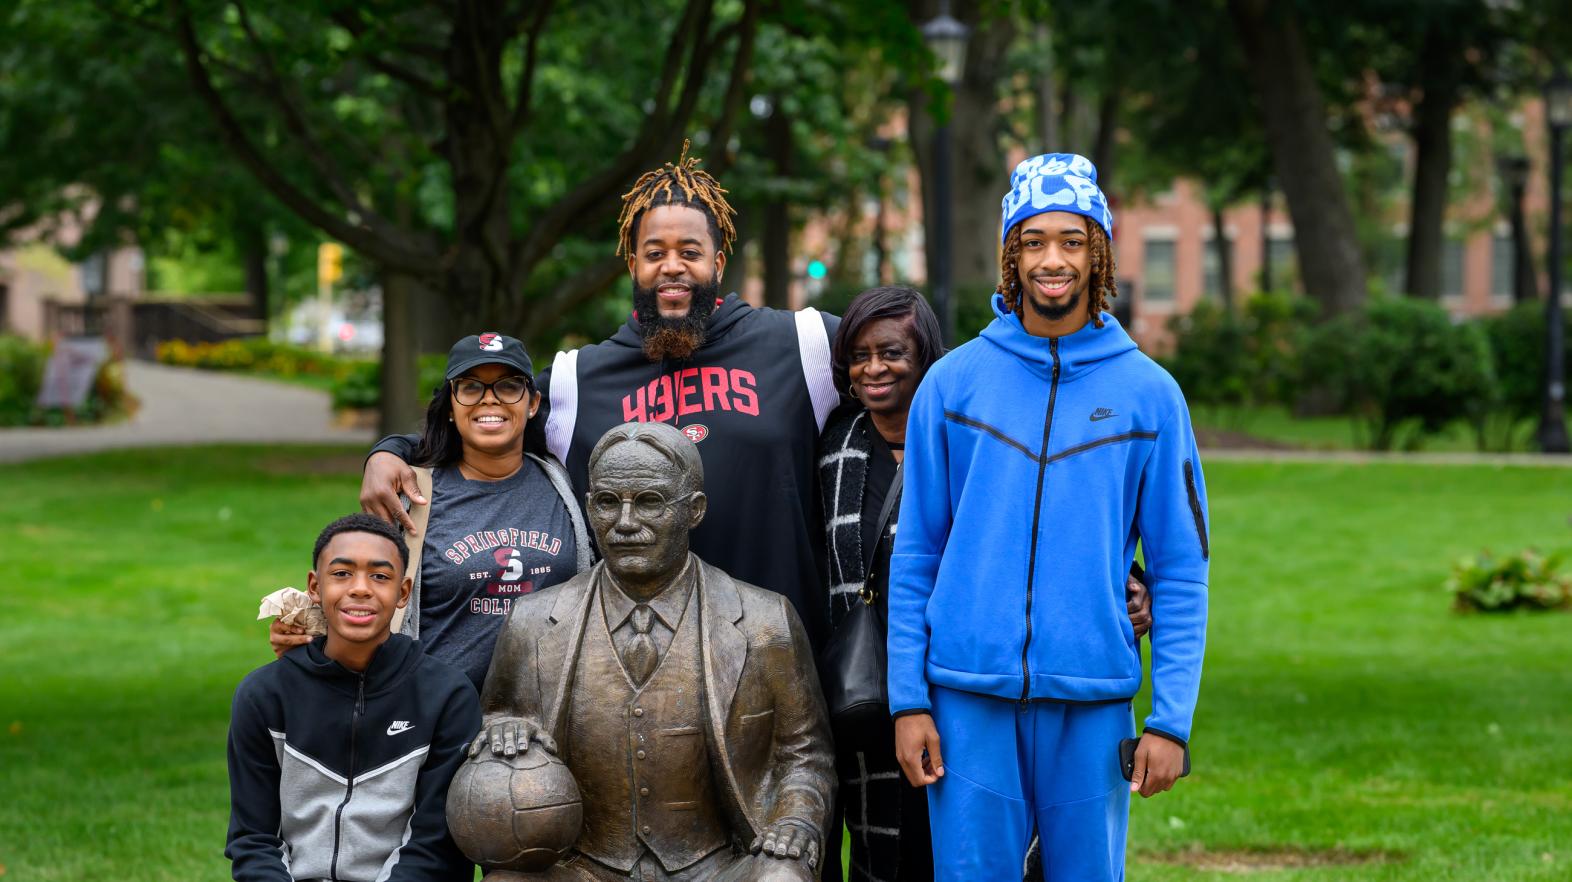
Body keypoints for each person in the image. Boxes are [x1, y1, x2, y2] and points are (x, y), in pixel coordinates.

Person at [361, 144, 840, 649]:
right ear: (633, 264)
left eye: (690, 253)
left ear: (718, 262)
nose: (671, 267)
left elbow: (900, 370)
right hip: (630, 671)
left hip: (776, 655)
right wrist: (392, 451)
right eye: (655, 253)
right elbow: (485, 413)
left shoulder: (802, 343)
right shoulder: (577, 378)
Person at [886, 153, 1209, 881]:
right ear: (1011, 255)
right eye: (1033, 242)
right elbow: (917, 557)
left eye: (1072, 240)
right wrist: (909, 700)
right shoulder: (953, 383)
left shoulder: (1150, 395)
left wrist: (1170, 721)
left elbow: (1181, 569)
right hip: (967, 704)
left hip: (1092, 709)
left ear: (1099, 253)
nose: (1052, 260)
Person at [819, 286, 1152, 882]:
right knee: (881, 848)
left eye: (892, 352)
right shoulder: (835, 447)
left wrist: (1123, 580)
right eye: (859, 354)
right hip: (873, 690)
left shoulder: (971, 428)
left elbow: (1047, 520)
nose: (875, 367)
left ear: (927, 358)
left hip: (974, 687)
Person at [469, 421, 835, 881]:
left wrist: (797, 819)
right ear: (588, 507)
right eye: (607, 502)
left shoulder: (765, 621)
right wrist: (503, 732)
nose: (625, 523)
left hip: (716, 865)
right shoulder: (532, 621)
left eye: (649, 502)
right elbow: (498, 715)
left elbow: (804, 754)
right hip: (580, 865)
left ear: (694, 510)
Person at [271, 333, 592, 691]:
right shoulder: (412, 496)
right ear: (451, 406)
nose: (490, 399)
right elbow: (368, 590)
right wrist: (309, 631)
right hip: (444, 722)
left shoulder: (564, 485)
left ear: (532, 403)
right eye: (471, 387)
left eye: (508, 386)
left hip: (548, 721)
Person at [227, 514, 481, 882]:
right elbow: (253, 841)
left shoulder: (447, 696)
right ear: (315, 587)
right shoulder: (264, 696)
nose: (360, 588)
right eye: (342, 573)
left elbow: (435, 846)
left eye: (380, 576)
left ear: (403, 593)